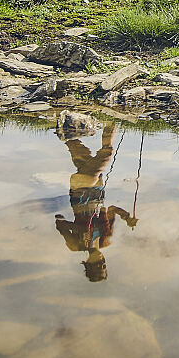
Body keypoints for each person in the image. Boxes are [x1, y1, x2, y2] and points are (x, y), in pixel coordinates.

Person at [54, 120, 139, 280]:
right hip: (97, 189)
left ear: (89, 264)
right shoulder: (105, 240)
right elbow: (112, 209)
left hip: (79, 191)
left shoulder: (75, 245)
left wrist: (78, 230)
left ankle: (112, 117)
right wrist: (127, 217)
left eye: (98, 266)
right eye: (104, 266)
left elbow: (59, 221)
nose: (102, 263)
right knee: (74, 144)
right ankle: (65, 119)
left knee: (106, 154)